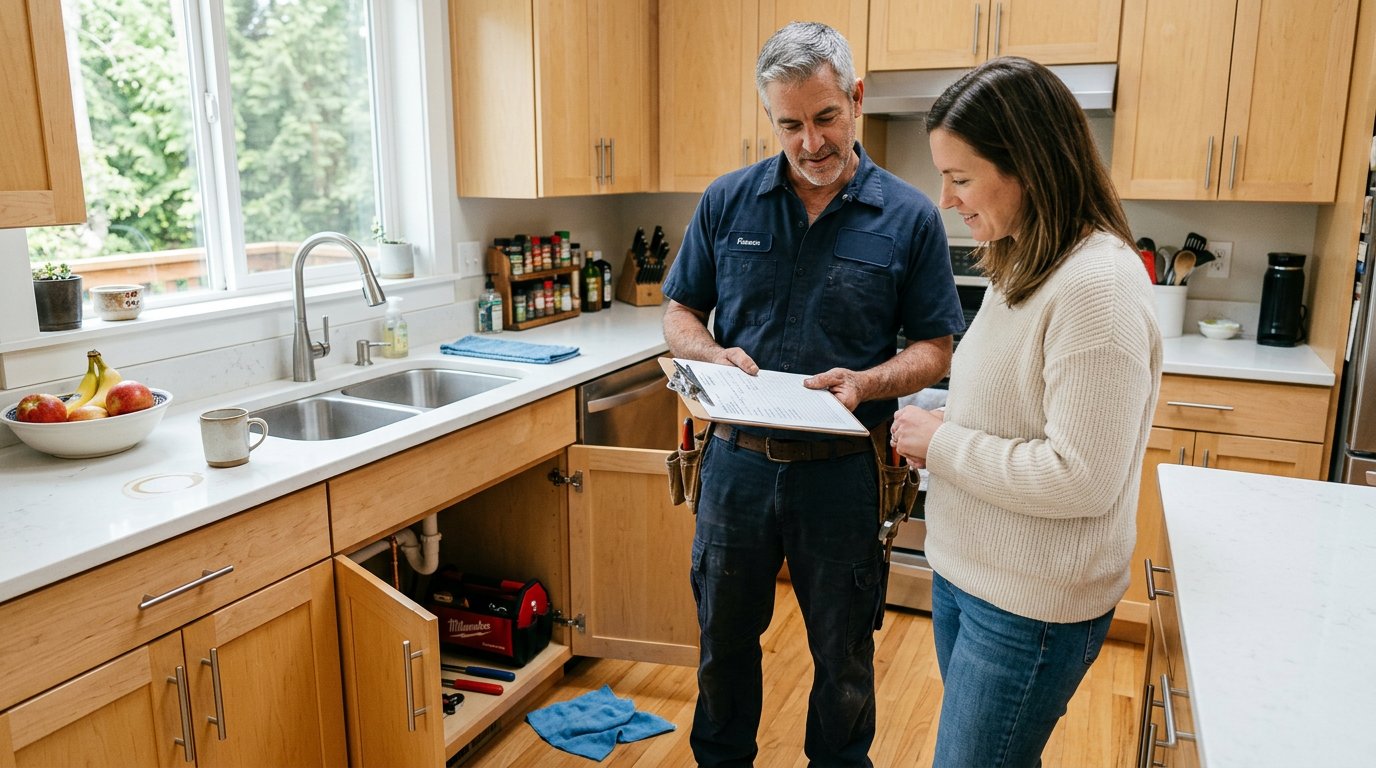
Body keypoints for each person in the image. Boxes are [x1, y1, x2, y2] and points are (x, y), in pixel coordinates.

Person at [660, 21, 966, 767]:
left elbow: (935, 346)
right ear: (772, 119)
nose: (810, 142)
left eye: (825, 118)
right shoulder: (728, 201)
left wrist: (867, 383)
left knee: (842, 659)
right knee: (723, 648)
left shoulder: (911, 217)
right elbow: (679, 312)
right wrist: (710, 355)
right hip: (734, 467)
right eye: (789, 124)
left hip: (843, 475)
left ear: (856, 100)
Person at [889, 56, 1163, 767]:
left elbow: (1080, 477)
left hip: (1029, 606)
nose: (945, 201)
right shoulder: (1024, 262)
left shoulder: (1097, 288)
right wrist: (944, 415)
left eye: (959, 177)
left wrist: (942, 444)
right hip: (970, 575)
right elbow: (1012, 408)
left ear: (1029, 168)